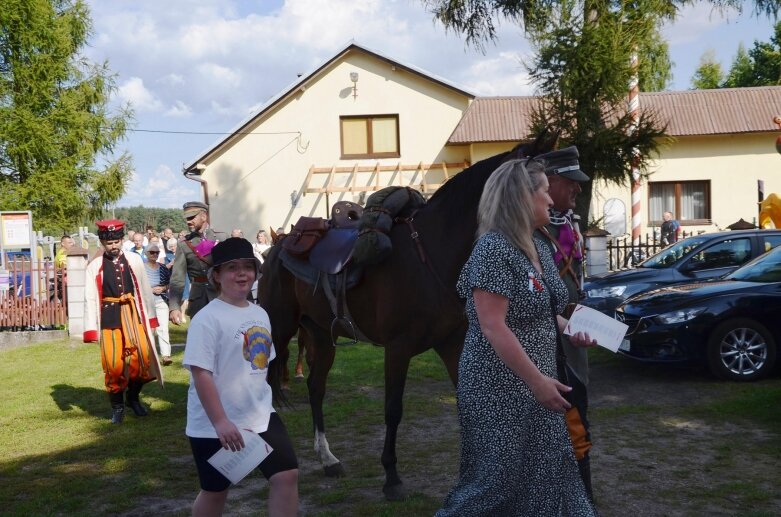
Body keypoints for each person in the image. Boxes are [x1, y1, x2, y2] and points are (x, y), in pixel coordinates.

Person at [437, 158, 597, 516]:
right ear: (521, 197)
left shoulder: (537, 246)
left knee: (553, 476)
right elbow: (493, 325)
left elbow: (539, 310)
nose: (551, 200)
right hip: (498, 390)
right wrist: (536, 381)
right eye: (543, 191)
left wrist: (571, 330)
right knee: (492, 486)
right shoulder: (493, 250)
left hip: (541, 386)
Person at [184, 237, 299, 516]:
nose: (242, 273)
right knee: (215, 492)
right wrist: (221, 422)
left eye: (248, 267)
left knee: (287, 476)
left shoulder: (260, 314)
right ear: (217, 276)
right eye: (232, 268)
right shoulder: (207, 319)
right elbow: (201, 374)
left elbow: (260, 365)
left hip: (260, 415)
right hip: (215, 424)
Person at [536, 146, 596, 501]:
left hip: (573, 324)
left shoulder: (568, 222)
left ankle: (577, 485)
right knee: (560, 406)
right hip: (547, 331)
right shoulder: (531, 230)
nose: (577, 189)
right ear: (552, 180)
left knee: (579, 398)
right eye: (570, 182)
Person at [83, 219, 162, 424]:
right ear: (102, 242)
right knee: (113, 364)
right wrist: (91, 329)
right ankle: (117, 407)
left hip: (133, 315)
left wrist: (151, 318)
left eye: (117, 241)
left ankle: (133, 398)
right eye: (109, 243)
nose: (114, 245)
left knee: (141, 360)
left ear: (121, 239)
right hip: (110, 318)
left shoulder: (135, 260)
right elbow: (90, 298)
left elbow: (144, 289)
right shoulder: (95, 267)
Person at [169, 201, 222, 325]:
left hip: (222, 296)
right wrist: (174, 306)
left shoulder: (222, 238)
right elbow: (177, 278)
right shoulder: (184, 244)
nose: (188, 221)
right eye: (186, 218)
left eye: (192, 217)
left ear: (204, 216)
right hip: (199, 300)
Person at [144, 243, 172, 366]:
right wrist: (151, 290)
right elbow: (137, 285)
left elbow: (170, 283)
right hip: (147, 301)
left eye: (157, 252)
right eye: (152, 252)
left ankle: (166, 355)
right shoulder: (141, 267)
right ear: (146, 254)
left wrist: (164, 288)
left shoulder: (163, 268)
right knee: (149, 329)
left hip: (161, 300)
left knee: (163, 328)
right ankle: (148, 355)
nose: (155, 254)